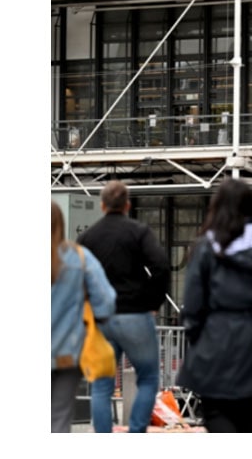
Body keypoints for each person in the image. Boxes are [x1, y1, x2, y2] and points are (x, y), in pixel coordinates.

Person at [175, 179, 252, 433]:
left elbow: (193, 303)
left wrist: (198, 337)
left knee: (216, 412)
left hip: (214, 339)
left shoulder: (206, 246)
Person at [77, 181, 172, 433]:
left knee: (101, 385)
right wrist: (152, 302)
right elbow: (161, 266)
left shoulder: (87, 237)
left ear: (102, 205)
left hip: (102, 319)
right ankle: (136, 431)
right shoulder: (138, 232)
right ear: (128, 205)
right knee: (149, 378)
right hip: (136, 314)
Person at [51, 201, 117, 433]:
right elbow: (106, 300)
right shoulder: (78, 257)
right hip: (68, 353)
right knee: (59, 418)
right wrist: (95, 316)